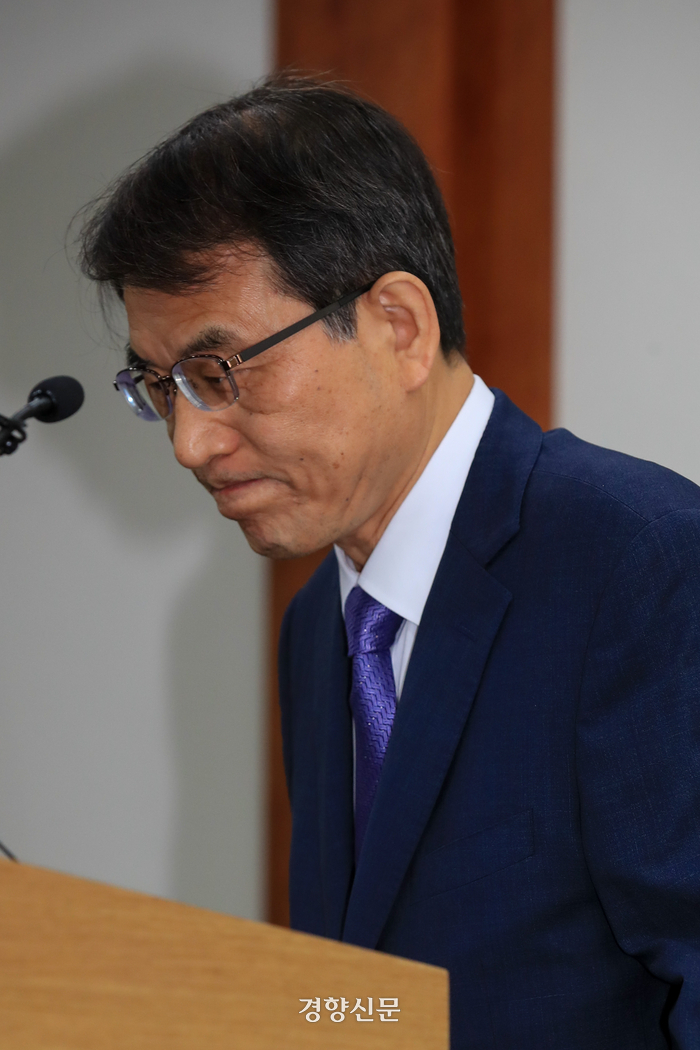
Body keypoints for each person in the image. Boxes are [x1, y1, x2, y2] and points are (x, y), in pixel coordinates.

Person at [79, 75, 700, 1049]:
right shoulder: (317, 632)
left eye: (219, 371)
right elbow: (365, 999)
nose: (189, 444)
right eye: (160, 387)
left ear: (399, 327)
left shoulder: (638, 559)